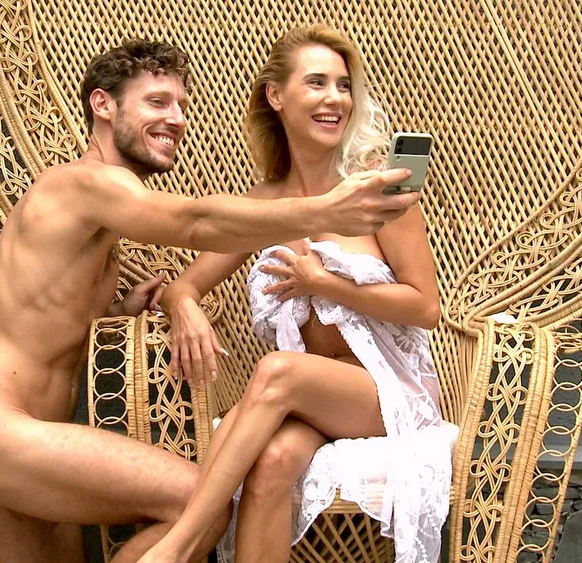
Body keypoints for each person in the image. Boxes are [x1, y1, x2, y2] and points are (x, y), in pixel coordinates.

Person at [0, 38, 420, 563]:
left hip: (34, 437)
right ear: (103, 105)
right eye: (157, 102)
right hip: (0, 428)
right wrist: (325, 211)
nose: (177, 119)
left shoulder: (96, 227)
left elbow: (49, 319)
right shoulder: (85, 184)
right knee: (202, 504)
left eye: (181, 106)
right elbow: (194, 221)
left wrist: (120, 312)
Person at [143, 25, 453, 563]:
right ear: (276, 96)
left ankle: (178, 544)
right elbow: (184, 286)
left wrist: (324, 284)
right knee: (272, 463)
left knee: (277, 371)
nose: (335, 98)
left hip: (387, 390)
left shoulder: (377, 191)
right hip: (311, 399)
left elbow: (425, 307)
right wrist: (185, 307)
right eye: (316, 83)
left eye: (343, 85)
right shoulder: (265, 205)